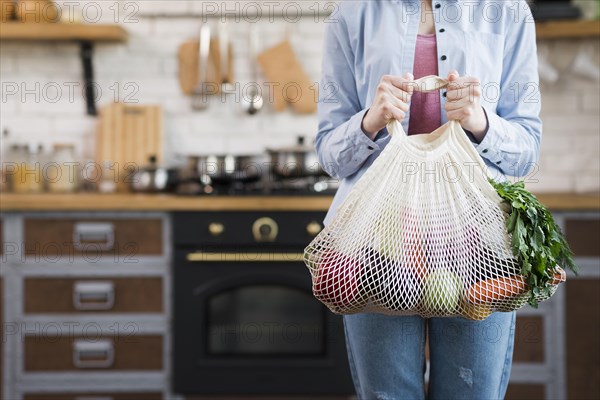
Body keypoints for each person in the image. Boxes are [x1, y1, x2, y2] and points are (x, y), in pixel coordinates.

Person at [316, 0, 541, 399]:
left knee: (471, 393)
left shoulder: (507, 9)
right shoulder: (351, 12)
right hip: (373, 249)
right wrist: (371, 119)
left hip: (479, 250)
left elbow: (527, 151)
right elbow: (331, 155)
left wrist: (480, 120)